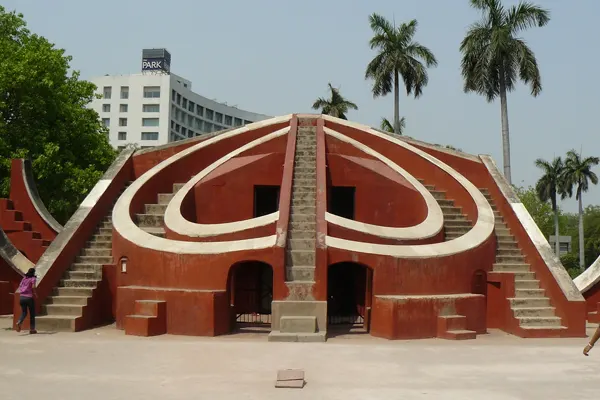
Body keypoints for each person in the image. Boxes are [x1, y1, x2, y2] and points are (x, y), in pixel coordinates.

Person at [15, 268, 37, 334]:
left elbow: (20, 285)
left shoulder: (24, 278)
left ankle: (19, 322)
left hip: (21, 297)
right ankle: (32, 329)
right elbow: (33, 287)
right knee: (32, 314)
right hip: (29, 297)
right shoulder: (33, 278)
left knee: (24, 312)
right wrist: (35, 293)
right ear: (33, 272)